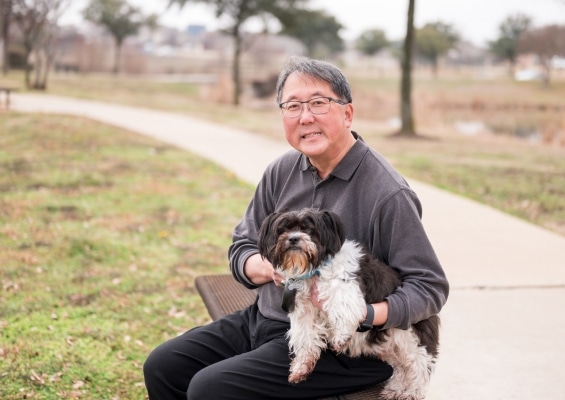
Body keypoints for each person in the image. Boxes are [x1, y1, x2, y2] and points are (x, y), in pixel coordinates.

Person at [143, 56, 449, 399]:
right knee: (163, 366)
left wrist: (364, 315)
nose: (305, 117)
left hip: (344, 347)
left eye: (319, 103)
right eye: (292, 106)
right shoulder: (282, 170)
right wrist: (266, 267)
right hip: (267, 317)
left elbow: (429, 286)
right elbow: (241, 246)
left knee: (210, 389)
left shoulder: (387, 192)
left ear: (347, 113)